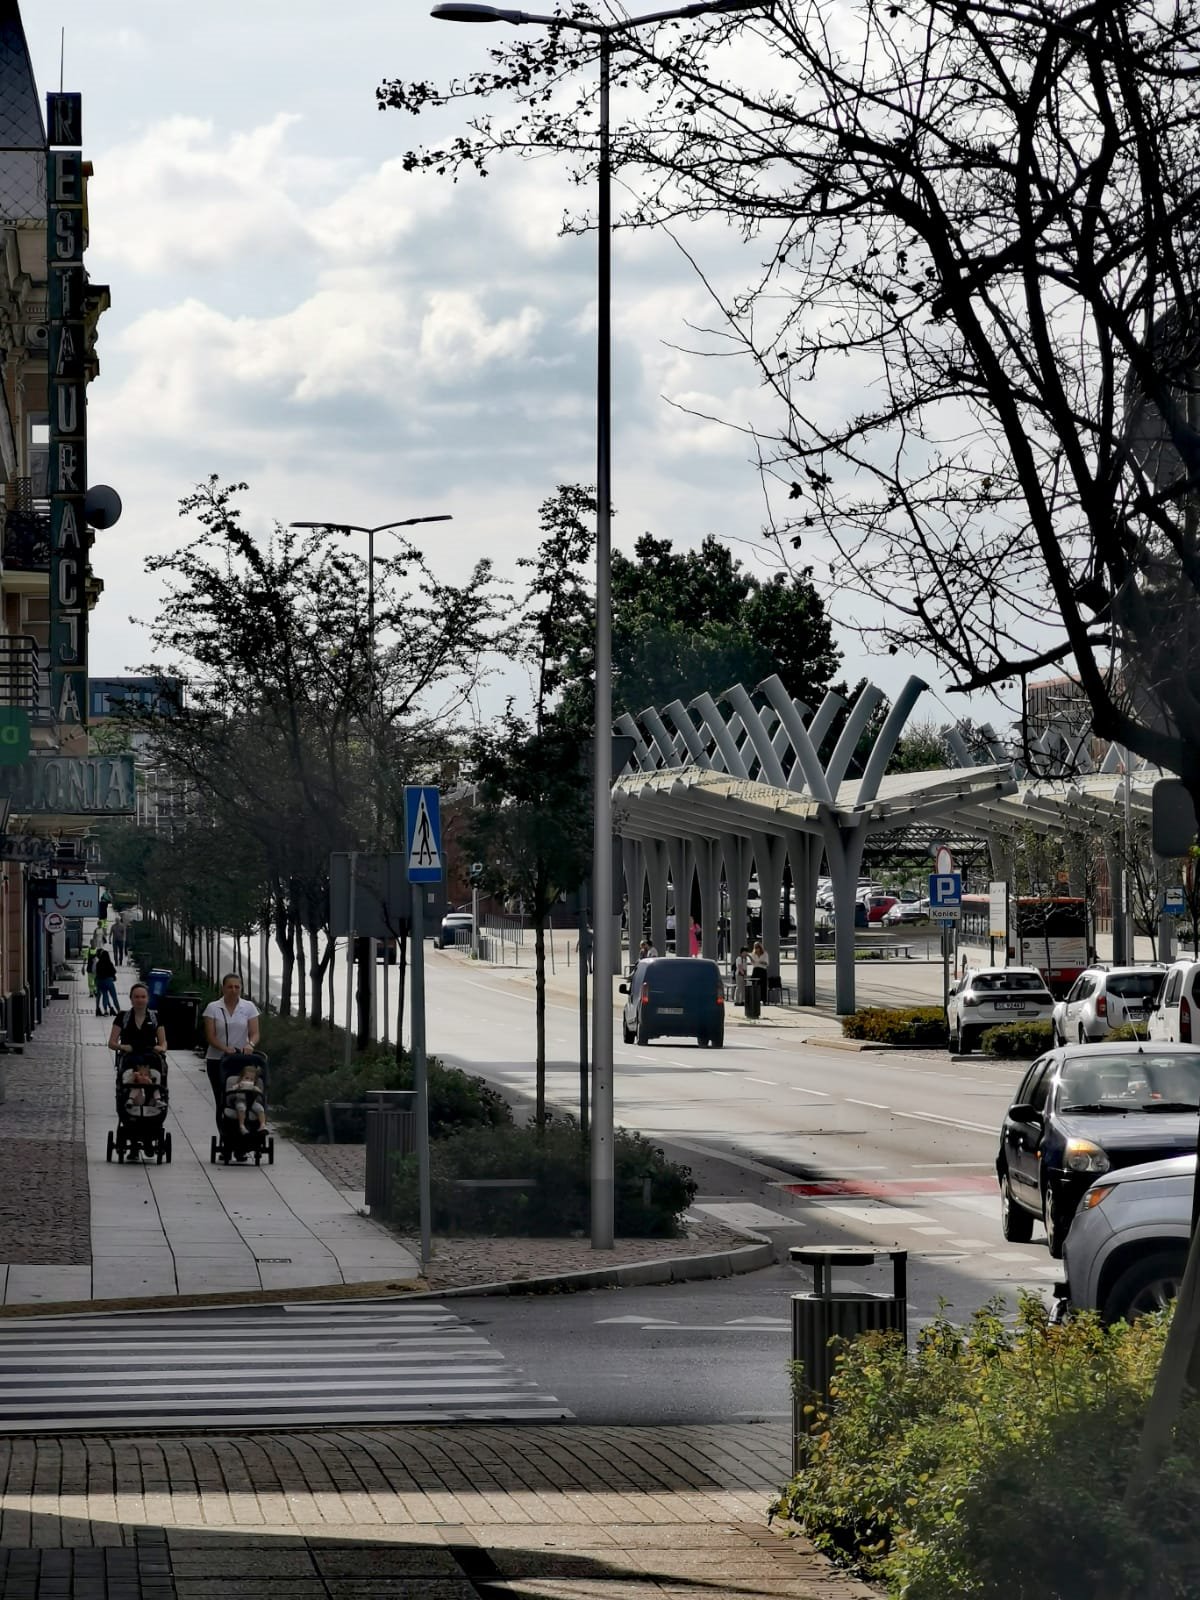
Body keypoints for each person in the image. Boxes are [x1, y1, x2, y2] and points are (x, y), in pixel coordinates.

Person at [204, 972, 261, 1113]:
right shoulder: (213, 1008)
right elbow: (210, 1036)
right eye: (230, 987)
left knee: (242, 1094)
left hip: (241, 1058)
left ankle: (243, 1125)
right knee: (222, 1098)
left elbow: (255, 1033)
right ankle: (224, 1130)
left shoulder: (249, 1007)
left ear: (241, 988)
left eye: (237, 987)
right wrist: (224, 1048)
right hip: (217, 1059)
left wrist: (250, 1044)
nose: (233, 990)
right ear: (223, 988)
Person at [109, 982, 167, 1064]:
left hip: (151, 1059)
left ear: (148, 999)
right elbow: (111, 1043)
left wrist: (162, 1048)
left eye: (143, 997)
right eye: (136, 997)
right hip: (129, 1060)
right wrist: (122, 1047)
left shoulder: (155, 1017)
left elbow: (163, 1042)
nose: (140, 1000)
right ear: (131, 999)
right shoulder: (122, 1017)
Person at [225, 1059, 268, 1137]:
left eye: (251, 1079)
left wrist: (256, 1089)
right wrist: (238, 1087)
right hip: (240, 1101)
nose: (249, 1080)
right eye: (246, 1078)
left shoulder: (254, 1086)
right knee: (241, 1108)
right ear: (241, 1077)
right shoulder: (238, 1084)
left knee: (260, 1108)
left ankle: (262, 1125)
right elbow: (230, 1091)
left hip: (252, 1102)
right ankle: (242, 1125)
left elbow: (260, 1094)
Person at [94, 944, 119, 1017]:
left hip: (100, 981)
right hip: (109, 981)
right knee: (114, 996)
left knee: (103, 995)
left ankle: (103, 1010)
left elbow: (97, 972)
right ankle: (118, 1010)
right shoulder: (109, 963)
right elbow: (114, 971)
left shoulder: (98, 964)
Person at [750, 940, 769, 1007]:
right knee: (755, 985)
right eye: (755, 948)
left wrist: (761, 962)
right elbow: (752, 963)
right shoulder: (753, 954)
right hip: (756, 970)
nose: (757, 949)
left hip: (762, 970)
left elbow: (767, 963)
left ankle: (764, 1000)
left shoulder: (765, 954)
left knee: (763, 986)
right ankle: (756, 1000)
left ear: (760, 948)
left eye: (758, 947)